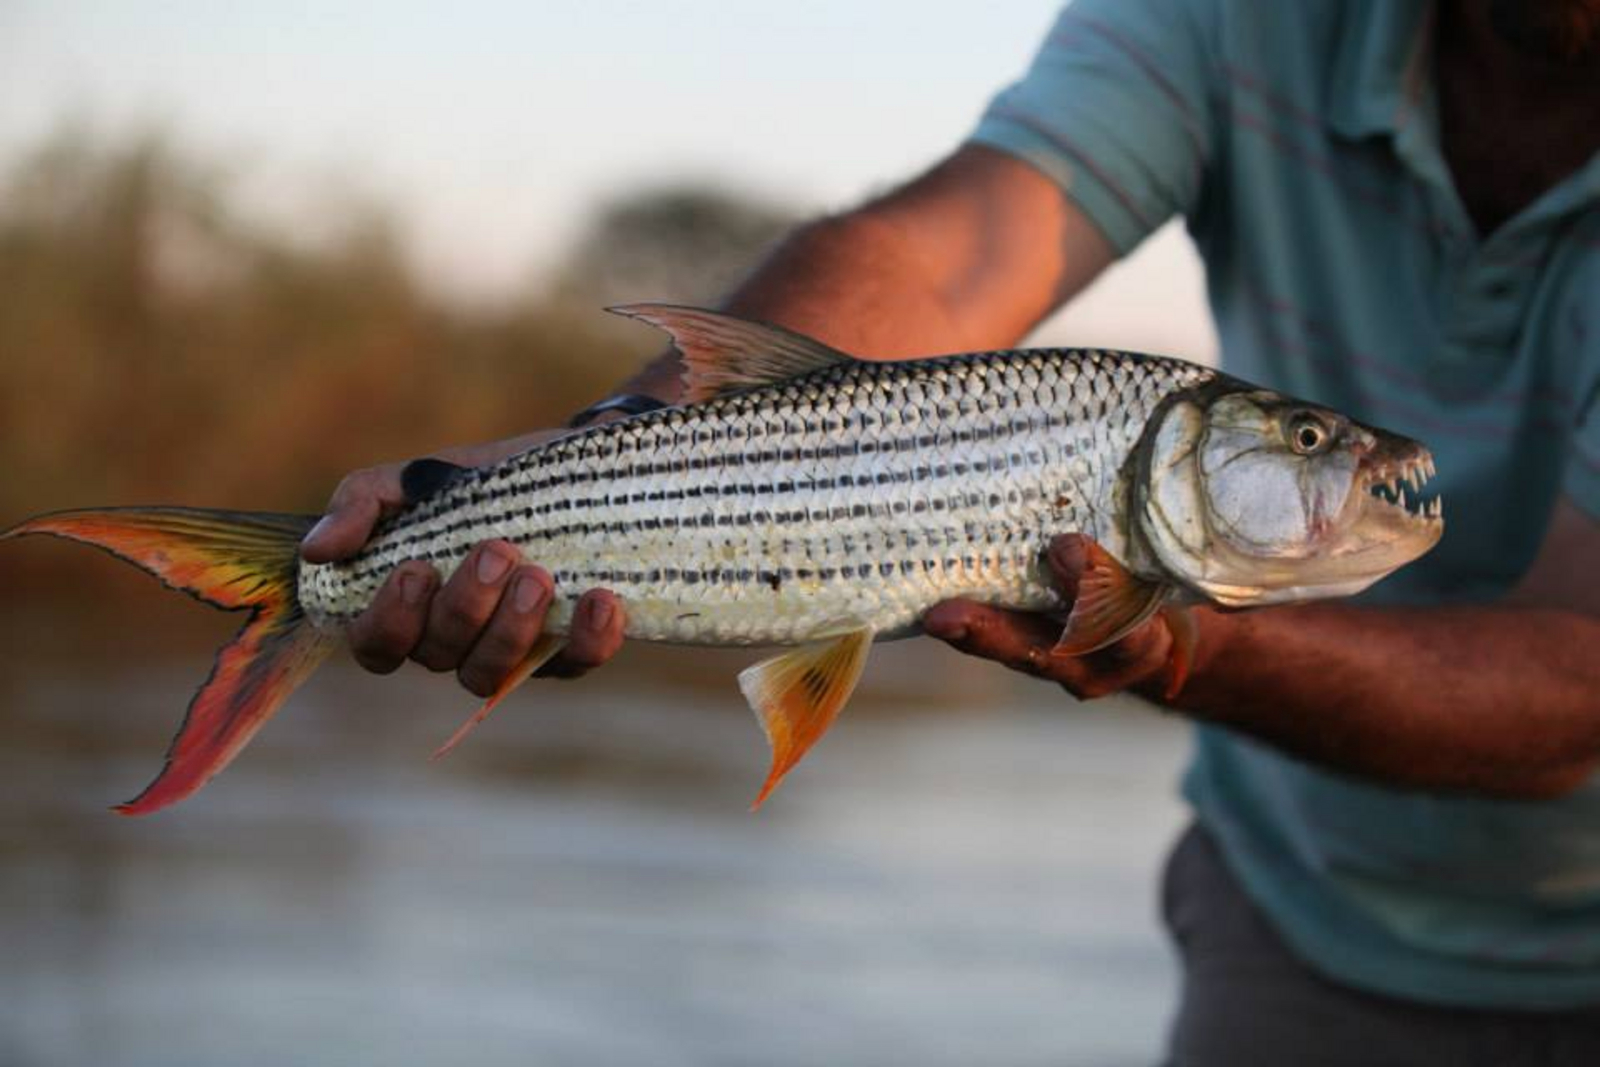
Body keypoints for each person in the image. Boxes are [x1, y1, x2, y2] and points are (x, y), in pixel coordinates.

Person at [300, 0, 1600, 1060]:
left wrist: (1181, 650)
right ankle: (289, 597)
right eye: (1312, 445)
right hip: (1290, 923)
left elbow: (1576, 681)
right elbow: (936, 262)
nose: (1344, 462)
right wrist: (601, 451)